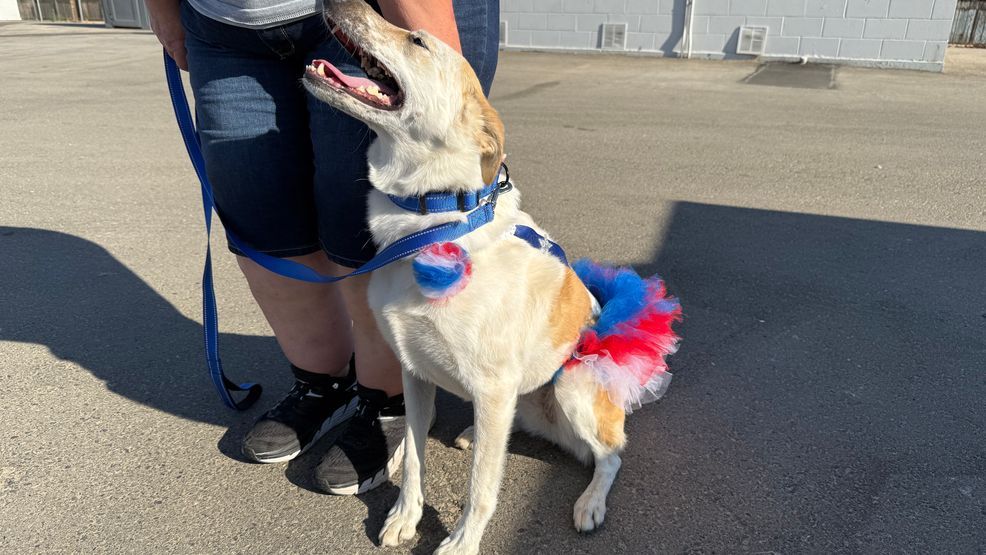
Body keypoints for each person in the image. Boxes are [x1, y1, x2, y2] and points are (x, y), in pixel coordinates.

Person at [146, 0, 499, 494]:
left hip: (372, 9)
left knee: (363, 226)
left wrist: (440, 77)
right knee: (263, 221)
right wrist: (162, 9)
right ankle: (322, 382)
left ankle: (389, 400)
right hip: (226, 23)